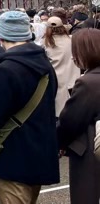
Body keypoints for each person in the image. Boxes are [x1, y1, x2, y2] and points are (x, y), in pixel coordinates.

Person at [0, 11, 60, 203]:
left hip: (14, 153)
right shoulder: (44, 64)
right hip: (40, 150)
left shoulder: (6, 69)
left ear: (1, 37)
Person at [57, 28, 100, 204]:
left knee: (86, 196)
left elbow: (70, 121)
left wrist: (58, 142)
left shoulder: (88, 82)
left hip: (90, 150)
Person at [43, 17, 80, 117]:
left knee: (59, 114)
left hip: (56, 82)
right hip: (74, 81)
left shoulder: (45, 44)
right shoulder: (72, 40)